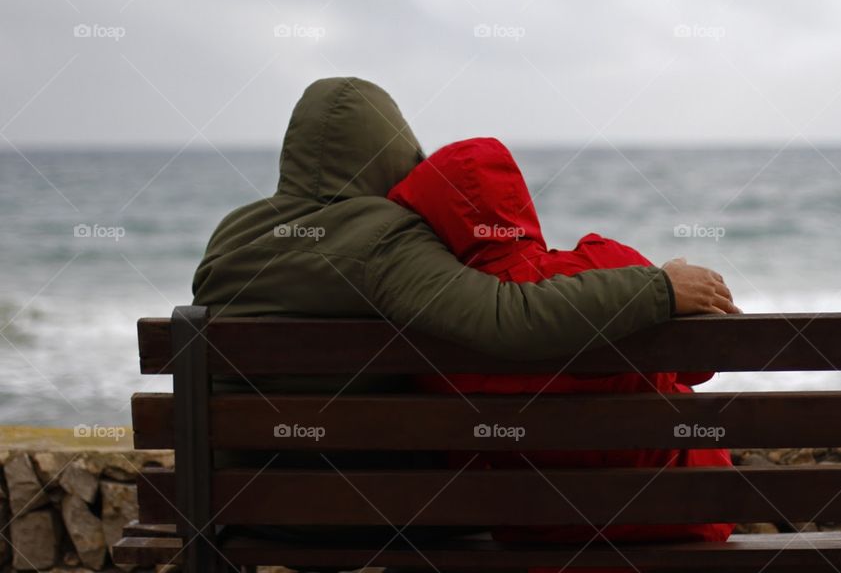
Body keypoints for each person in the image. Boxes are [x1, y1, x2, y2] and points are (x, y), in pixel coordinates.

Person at [191, 77, 739, 560]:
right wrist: (658, 288)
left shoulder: (233, 233)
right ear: (391, 155)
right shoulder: (381, 235)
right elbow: (506, 318)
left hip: (245, 504)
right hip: (370, 510)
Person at [387, 136, 735, 556]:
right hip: (677, 515)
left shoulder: (433, 323)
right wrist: (669, 282)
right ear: (515, 199)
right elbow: (701, 366)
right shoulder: (607, 265)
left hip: (536, 533)